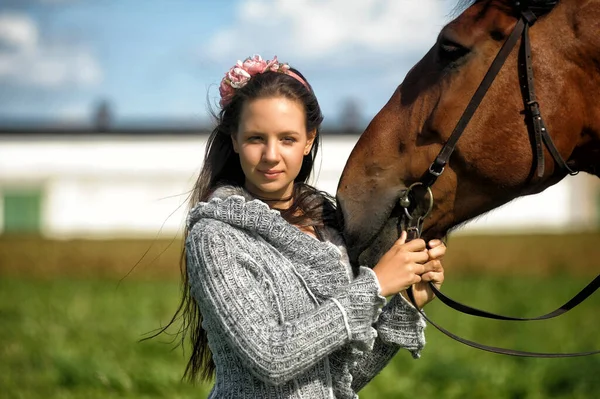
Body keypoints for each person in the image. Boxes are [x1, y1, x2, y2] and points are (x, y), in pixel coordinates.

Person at [173, 54, 446, 398]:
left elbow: (337, 378)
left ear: (308, 140)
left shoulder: (328, 226)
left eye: (287, 138)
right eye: (256, 138)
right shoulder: (215, 236)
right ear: (234, 140)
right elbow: (272, 358)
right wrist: (376, 286)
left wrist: (406, 301)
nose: (271, 155)